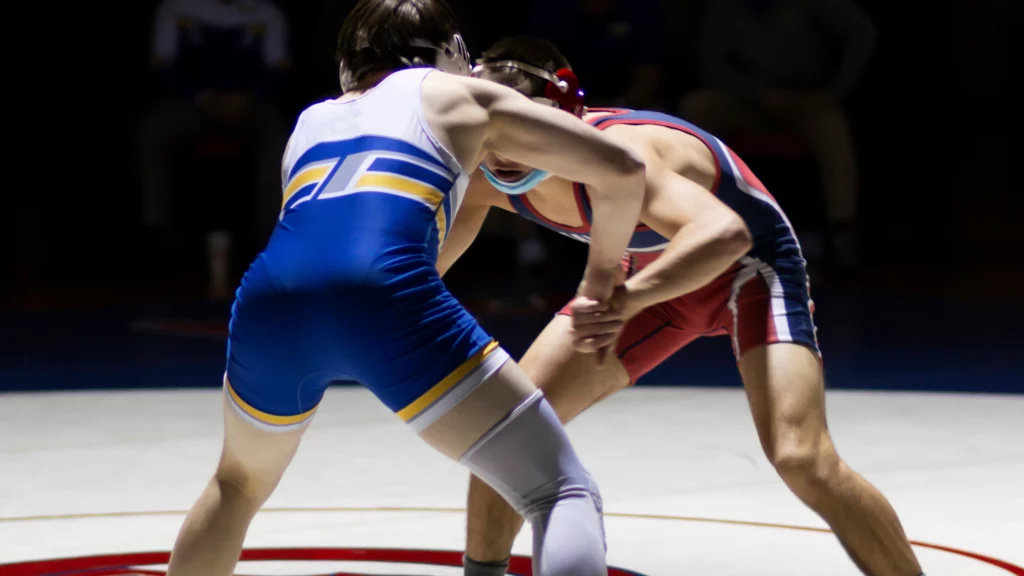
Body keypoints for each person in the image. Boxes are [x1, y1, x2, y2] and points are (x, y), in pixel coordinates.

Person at [164, 3, 649, 575]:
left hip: (272, 295)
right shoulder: (459, 95)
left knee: (237, 483)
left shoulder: (312, 120)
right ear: (453, 51)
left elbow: (328, 240)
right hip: (382, 291)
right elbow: (622, 166)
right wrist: (599, 276)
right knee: (559, 491)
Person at [438, 37, 925, 576]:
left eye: (524, 132)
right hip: (641, 272)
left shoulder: (623, 157)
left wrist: (628, 299)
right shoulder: (484, 172)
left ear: (562, 122)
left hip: (745, 269)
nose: (505, 153)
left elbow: (726, 234)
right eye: (495, 132)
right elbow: (420, 271)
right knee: (506, 434)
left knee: (801, 457)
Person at [680, 0, 876, 272]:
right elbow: (712, 61)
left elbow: (861, 32)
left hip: (807, 101)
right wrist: (758, 94)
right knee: (698, 106)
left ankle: (842, 231)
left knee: (832, 127)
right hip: (749, 101)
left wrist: (835, 91)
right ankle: (693, 220)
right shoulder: (726, 7)